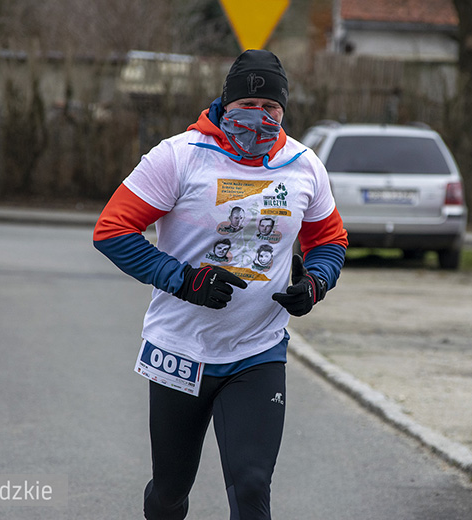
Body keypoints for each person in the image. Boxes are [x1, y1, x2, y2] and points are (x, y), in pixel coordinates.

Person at [93, 49, 347, 520]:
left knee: (251, 489)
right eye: (246, 107)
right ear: (224, 107)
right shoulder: (178, 156)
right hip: (181, 350)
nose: (259, 117)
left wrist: (315, 283)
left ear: (283, 111)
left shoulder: (304, 164)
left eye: (270, 108)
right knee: (170, 492)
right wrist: (185, 280)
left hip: (258, 349)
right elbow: (112, 231)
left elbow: (329, 239)